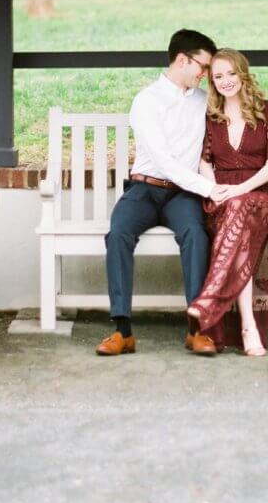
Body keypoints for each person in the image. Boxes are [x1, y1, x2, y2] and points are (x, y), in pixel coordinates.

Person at [96, 29, 231, 357]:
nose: (205, 75)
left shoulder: (204, 101)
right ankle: (122, 330)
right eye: (202, 66)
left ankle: (196, 329)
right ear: (183, 60)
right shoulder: (147, 101)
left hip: (181, 196)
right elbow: (165, 162)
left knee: (196, 235)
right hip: (145, 188)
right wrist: (210, 189)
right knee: (118, 234)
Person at [187, 48, 268, 356]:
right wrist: (214, 188)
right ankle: (248, 328)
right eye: (218, 76)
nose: (225, 81)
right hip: (222, 198)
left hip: (260, 198)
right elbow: (204, 160)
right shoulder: (212, 116)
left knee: (240, 210)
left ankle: (211, 301)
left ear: (242, 74)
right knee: (237, 224)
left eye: (231, 74)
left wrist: (240, 189)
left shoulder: (267, 111)